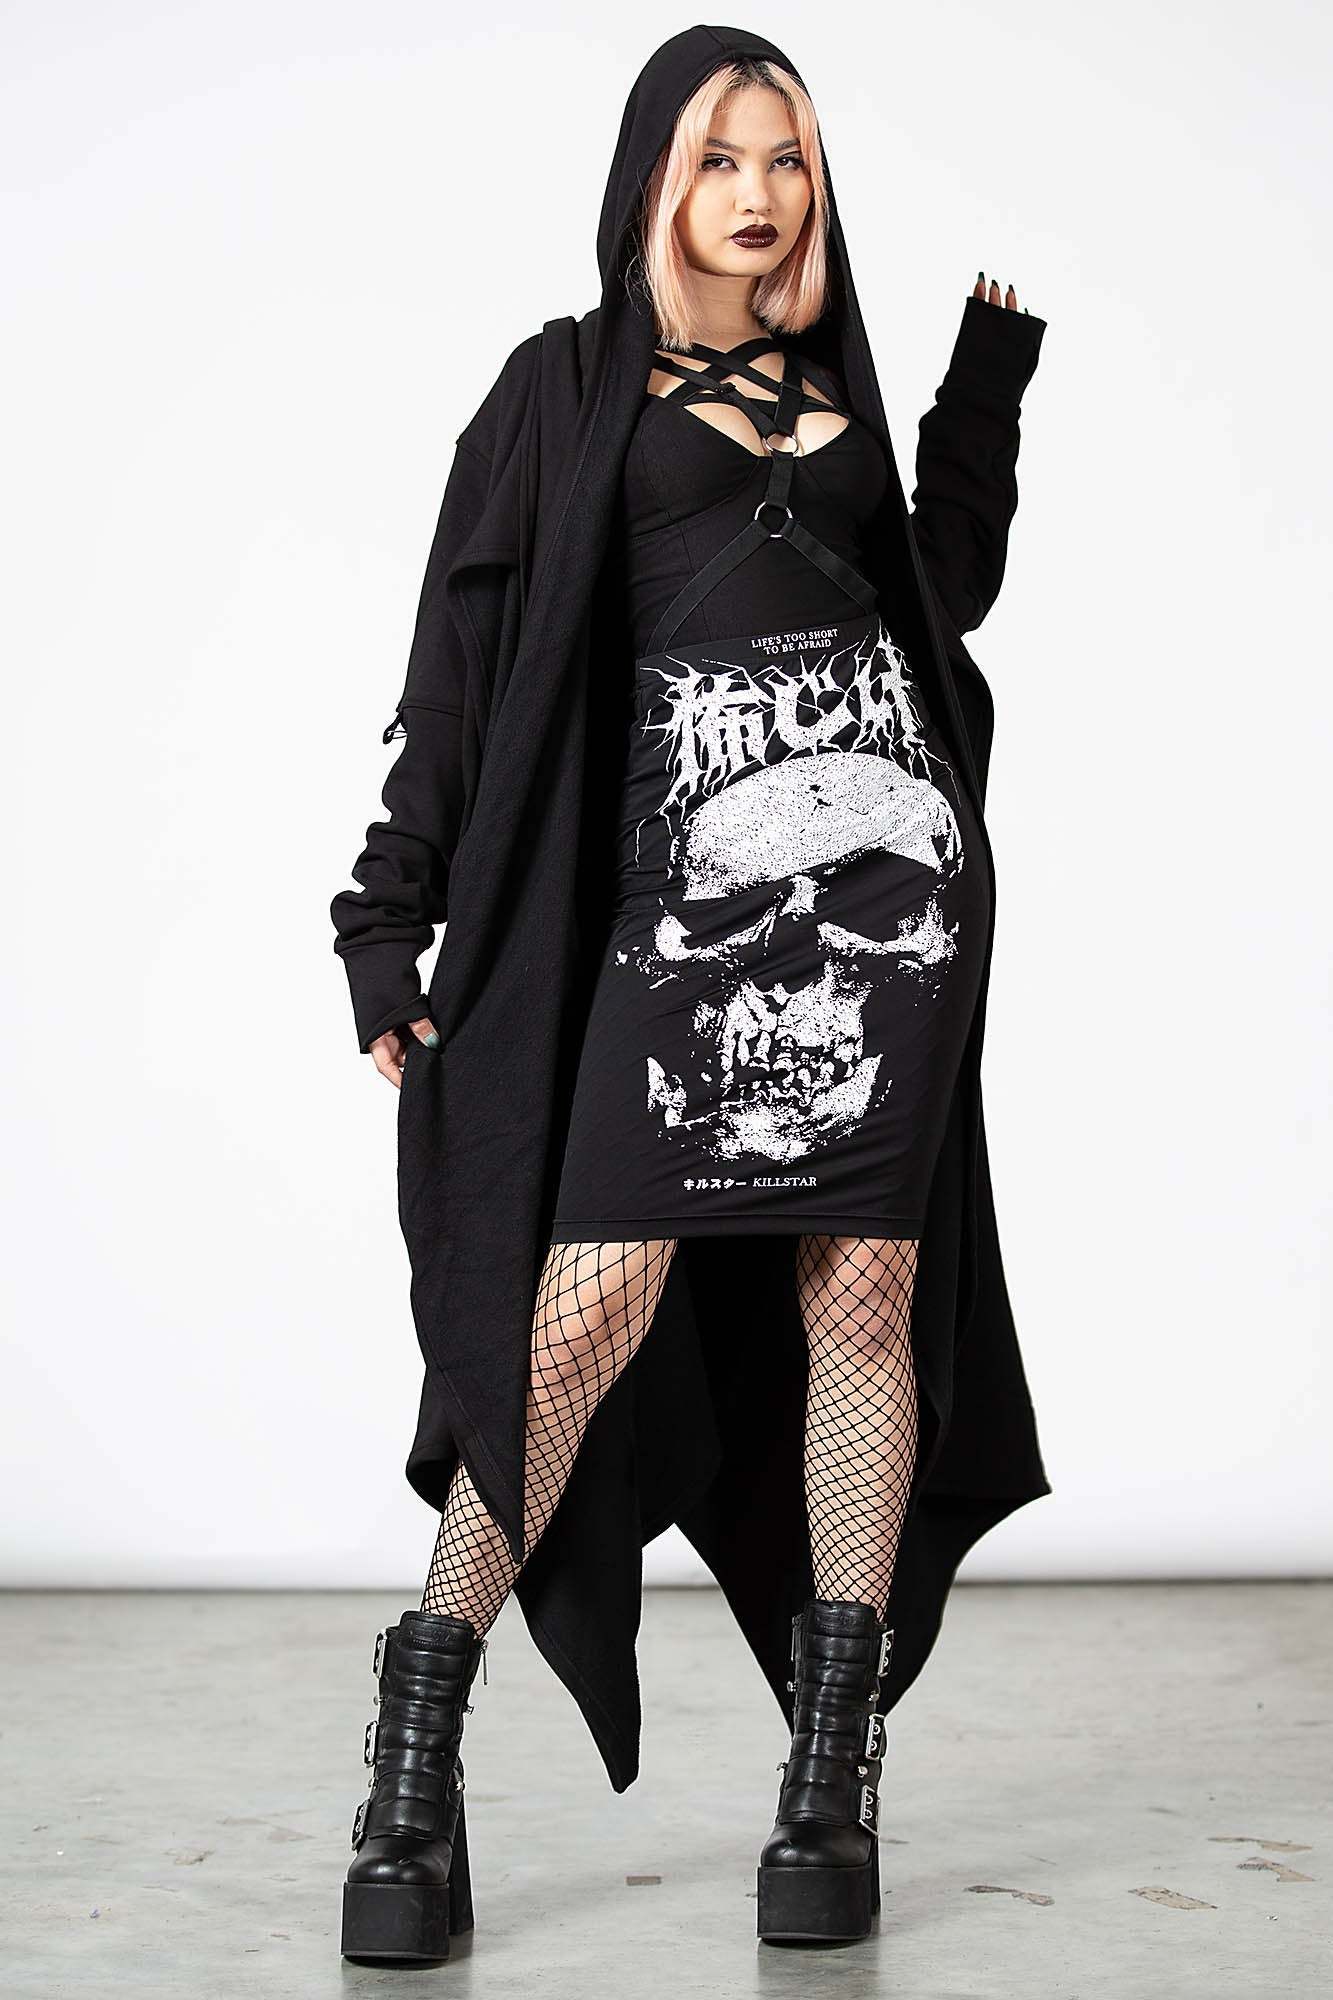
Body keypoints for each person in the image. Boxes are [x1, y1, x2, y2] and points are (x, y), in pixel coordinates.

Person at [330, 23, 1051, 1965]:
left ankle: (829, 1782)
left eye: (789, 158)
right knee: (577, 1320)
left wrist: (981, 393)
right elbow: (458, 671)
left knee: (864, 1302)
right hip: (678, 925)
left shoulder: (835, 389)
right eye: (722, 156)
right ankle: (413, 1771)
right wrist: (386, 919)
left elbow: (940, 593)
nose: (758, 192)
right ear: (658, 175)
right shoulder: (565, 390)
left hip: (886, 922)